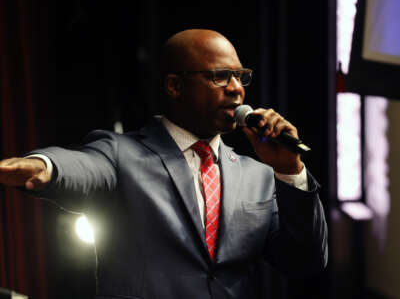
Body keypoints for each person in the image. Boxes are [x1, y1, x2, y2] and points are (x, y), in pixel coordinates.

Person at [0, 29, 327, 299]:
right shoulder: (121, 154)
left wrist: (290, 171)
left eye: (240, 77)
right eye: (219, 77)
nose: (236, 89)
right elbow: (82, 166)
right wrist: (44, 167)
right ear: (174, 86)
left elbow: (304, 262)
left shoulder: (258, 175)